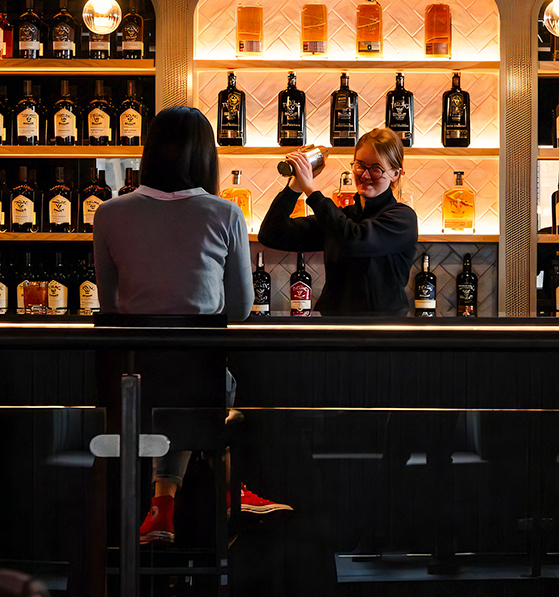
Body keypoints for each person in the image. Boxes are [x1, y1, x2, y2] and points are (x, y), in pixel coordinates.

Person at [92, 106, 290, 545]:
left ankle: (162, 504)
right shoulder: (225, 213)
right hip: (200, 392)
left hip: (128, 393)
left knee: (171, 387)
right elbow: (240, 308)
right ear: (206, 156)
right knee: (205, 385)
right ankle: (229, 488)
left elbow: (110, 307)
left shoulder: (108, 213)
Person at [258, 128, 419, 317]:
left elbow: (354, 241)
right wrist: (295, 186)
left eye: (376, 169)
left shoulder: (402, 218)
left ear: (395, 173)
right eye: (360, 165)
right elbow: (271, 234)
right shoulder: (341, 218)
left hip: (382, 329)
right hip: (334, 327)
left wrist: (312, 192)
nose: (365, 175)